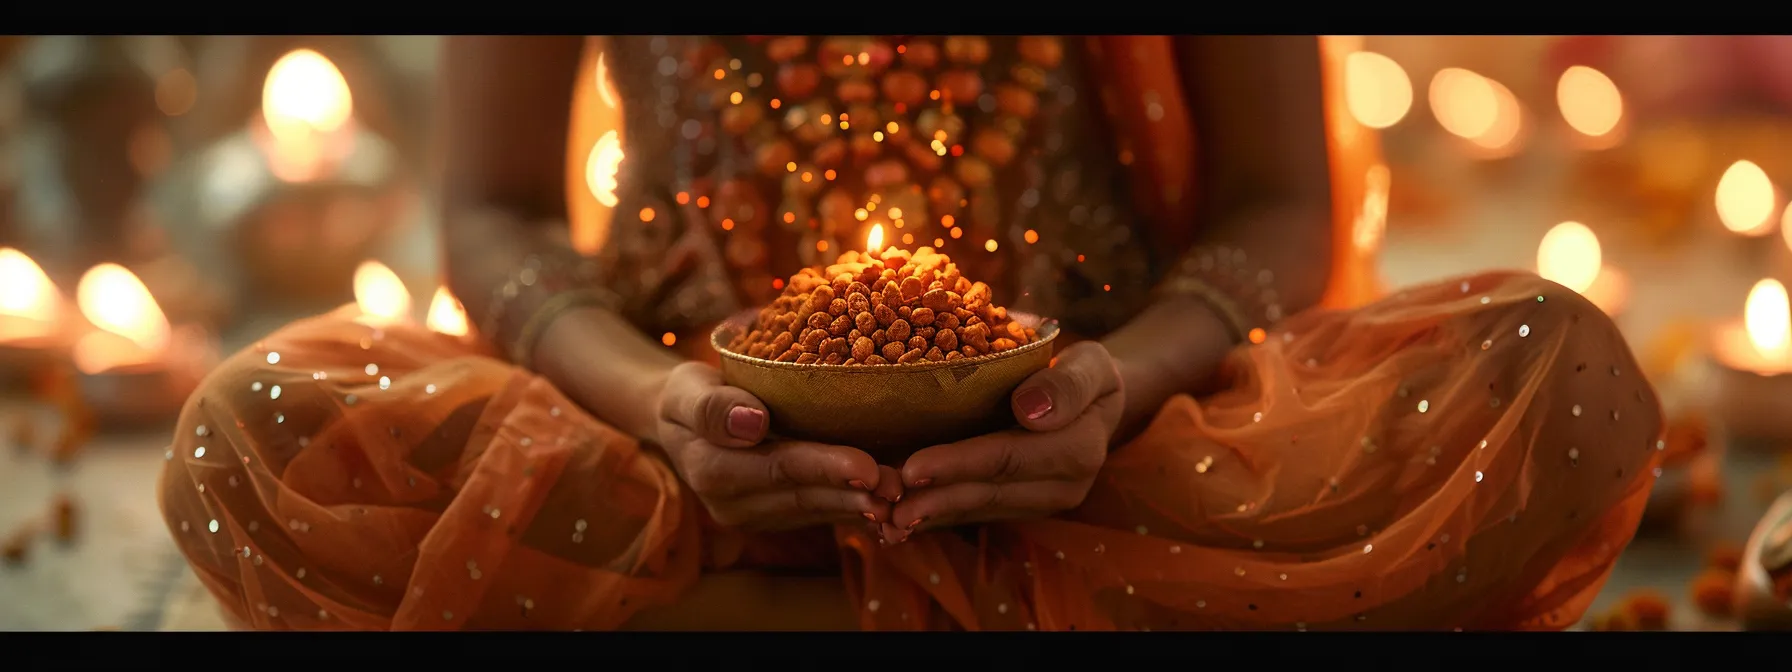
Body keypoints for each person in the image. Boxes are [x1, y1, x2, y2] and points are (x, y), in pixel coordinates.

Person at [156, 35, 1665, 631]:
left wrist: (1116, 383)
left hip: (1103, 444)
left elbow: (1281, 199)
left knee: (1553, 372)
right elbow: (490, 208)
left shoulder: (1109, 406)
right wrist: (664, 408)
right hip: (677, 457)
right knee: (258, 425)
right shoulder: (672, 424)